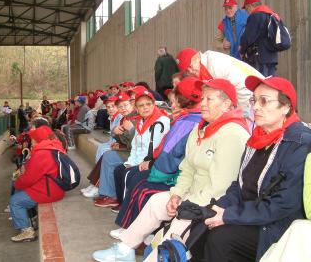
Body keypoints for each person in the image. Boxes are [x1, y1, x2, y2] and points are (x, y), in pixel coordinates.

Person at [92, 79, 250, 262]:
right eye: (203, 98)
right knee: (157, 201)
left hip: (211, 204)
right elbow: (188, 168)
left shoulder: (232, 133)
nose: (203, 103)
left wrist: (185, 203)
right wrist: (176, 195)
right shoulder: (202, 127)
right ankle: (125, 249)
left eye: (209, 99)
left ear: (227, 103)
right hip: (192, 194)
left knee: (178, 223)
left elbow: (221, 187)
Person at [202, 76, 311, 262]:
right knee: (203, 223)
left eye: (264, 101)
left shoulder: (299, 143)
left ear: (286, 107)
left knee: (221, 239)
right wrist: (219, 206)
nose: (256, 107)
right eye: (254, 100)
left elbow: (284, 204)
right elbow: (240, 185)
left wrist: (229, 215)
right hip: (252, 216)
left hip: (278, 224)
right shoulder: (257, 139)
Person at [113, 77, 202, 231]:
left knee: (139, 182)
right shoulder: (181, 120)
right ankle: (130, 225)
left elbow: (169, 155)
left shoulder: (178, 121)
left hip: (173, 175)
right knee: (128, 173)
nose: (171, 105)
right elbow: (143, 147)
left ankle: (134, 229)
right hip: (165, 168)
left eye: (175, 101)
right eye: (140, 105)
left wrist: (153, 168)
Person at [94, 90, 170, 209]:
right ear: (137, 107)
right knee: (110, 158)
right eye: (120, 106)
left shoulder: (157, 120)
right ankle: (112, 196)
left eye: (148, 104)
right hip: (136, 156)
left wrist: (127, 133)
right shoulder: (138, 120)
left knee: (114, 161)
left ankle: (119, 201)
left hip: (150, 160)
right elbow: (134, 145)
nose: (145, 108)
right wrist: (116, 135)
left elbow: (151, 149)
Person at [10, 125, 66, 242]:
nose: (31, 141)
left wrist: (17, 183)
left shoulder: (42, 153)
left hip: (49, 191)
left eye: (33, 138)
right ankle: (32, 218)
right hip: (53, 186)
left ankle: (27, 231)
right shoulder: (52, 147)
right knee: (20, 190)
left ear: (38, 140)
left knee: (15, 201)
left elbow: (29, 178)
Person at [176, 47, 263, 119]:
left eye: (191, 66)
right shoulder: (204, 68)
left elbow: (242, 87)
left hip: (254, 92)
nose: (191, 71)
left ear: (197, 57)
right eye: (187, 71)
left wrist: (244, 115)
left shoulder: (215, 64)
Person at [86, 92, 138, 199]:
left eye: (125, 105)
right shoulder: (126, 118)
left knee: (107, 154)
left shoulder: (134, 118)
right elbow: (125, 140)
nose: (123, 108)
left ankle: (104, 191)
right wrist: (116, 134)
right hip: (129, 150)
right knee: (105, 152)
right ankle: (97, 185)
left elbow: (135, 143)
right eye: (120, 106)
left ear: (132, 104)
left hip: (136, 154)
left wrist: (123, 134)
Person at [81, 95, 123, 197]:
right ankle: (94, 182)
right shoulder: (113, 117)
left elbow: (120, 138)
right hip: (114, 143)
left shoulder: (120, 117)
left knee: (104, 151)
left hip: (121, 148)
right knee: (101, 147)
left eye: (113, 106)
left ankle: (98, 185)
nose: (110, 109)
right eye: (108, 107)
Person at [239, 0, 282, 76]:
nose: (247, 12)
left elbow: (248, 37)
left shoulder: (256, 15)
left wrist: (242, 50)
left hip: (260, 58)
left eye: (246, 9)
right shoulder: (270, 14)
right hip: (271, 57)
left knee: (261, 83)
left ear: (250, 6)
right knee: (270, 83)